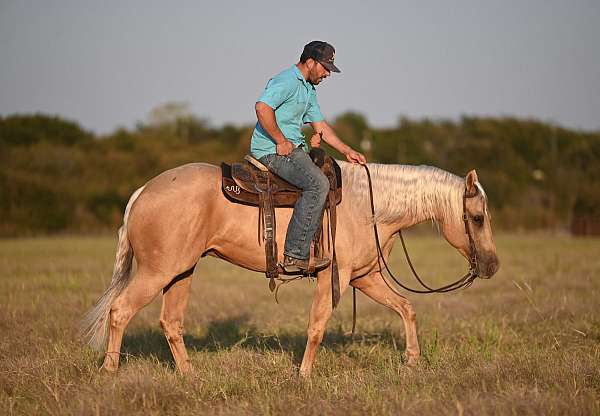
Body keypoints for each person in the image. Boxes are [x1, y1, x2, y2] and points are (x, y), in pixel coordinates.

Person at [250, 40, 366, 274]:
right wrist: (280, 141)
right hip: (271, 151)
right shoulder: (286, 81)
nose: (327, 74)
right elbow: (262, 107)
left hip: (294, 150)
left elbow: (320, 125)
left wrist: (346, 150)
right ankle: (294, 255)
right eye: (325, 68)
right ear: (310, 62)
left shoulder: (308, 88)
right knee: (317, 184)